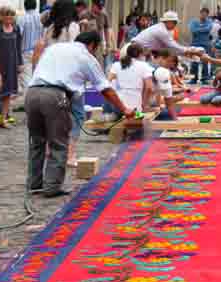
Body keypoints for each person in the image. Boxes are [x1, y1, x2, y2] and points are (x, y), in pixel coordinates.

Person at [27, 30, 127, 196]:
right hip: (55, 96)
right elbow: (105, 89)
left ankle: (34, 184)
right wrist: (124, 109)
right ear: (92, 45)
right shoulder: (86, 57)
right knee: (58, 142)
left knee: (37, 142)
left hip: (32, 92)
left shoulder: (55, 48)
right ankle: (52, 187)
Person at [35, 0, 82, 166]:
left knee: (53, 115)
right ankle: (70, 153)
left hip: (49, 75)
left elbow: (42, 50)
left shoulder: (49, 28)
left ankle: (50, 149)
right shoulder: (73, 27)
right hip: (68, 75)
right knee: (76, 114)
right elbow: (76, 50)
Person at [0, 7, 22, 128]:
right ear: (1, 16)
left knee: (8, 93)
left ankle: (3, 119)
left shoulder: (16, 29)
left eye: (11, 16)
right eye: (6, 15)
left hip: (12, 63)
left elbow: (18, 47)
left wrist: (19, 63)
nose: (9, 18)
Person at [107, 40, 152, 115]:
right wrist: (144, 103)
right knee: (135, 124)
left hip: (118, 105)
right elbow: (149, 87)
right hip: (135, 106)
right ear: (140, 54)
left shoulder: (116, 65)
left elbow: (107, 82)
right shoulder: (144, 66)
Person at [18, 0, 44, 90]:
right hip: (40, 51)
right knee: (38, 77)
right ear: (35, 6)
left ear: (25, 7)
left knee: (26, 79)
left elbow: (18, 35)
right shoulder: (42, 18)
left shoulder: (22, 18)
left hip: (25, 52)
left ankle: (27, 100)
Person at [151, 49, 181, 118]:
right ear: (161, 58)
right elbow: (157, 92)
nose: (170, 64)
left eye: (171, 62)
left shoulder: (164, 70)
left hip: (154, 100)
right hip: (147, 105)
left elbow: (162, 92)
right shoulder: (159, 70)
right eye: (169, 61)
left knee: (172, 104)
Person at [190, 7, 214, 83]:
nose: (204, 15)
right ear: (200, 13)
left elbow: (208, 29)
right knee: (194, 61)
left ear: (207, 15)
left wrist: (199, 29)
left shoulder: (209, 21)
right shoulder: (193, 21)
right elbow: (193, 30)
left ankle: (204, 78)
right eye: (202, 13)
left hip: (205, 44)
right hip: (195, 43)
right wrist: (203, 29)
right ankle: (194, 78)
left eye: (205, 14)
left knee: (205, 61)